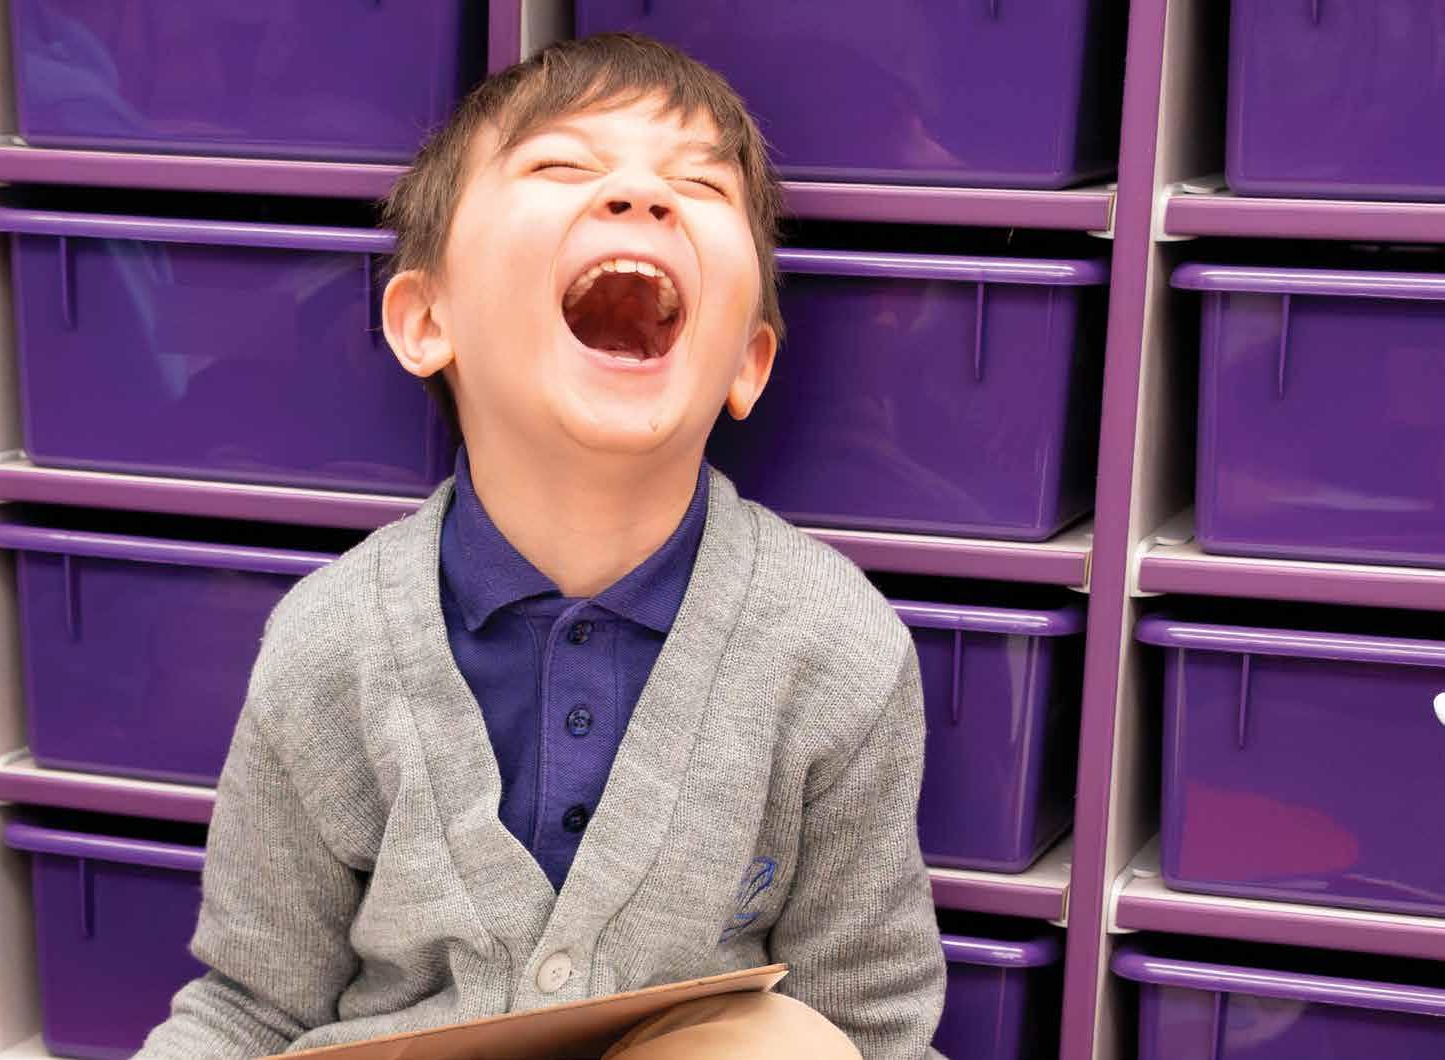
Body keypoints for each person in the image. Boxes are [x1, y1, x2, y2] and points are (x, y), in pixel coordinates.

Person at [136, 33, 945, 1060]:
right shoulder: (326, 643)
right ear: (425, 319)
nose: (642, 196)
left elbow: (869, 1030)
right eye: (563, 166)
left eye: (699, 185)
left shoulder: (838, 647)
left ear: (749, 362)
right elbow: (250, 1009)